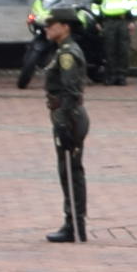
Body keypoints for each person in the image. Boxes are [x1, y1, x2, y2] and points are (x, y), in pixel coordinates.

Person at [41, 25, 93, 242]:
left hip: (69, 115)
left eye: (52, 25)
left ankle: (75, 225)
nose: (47, 29)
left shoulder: (67, 53)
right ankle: (72, 222)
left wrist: (63, 122)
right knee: (68, 170)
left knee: (71, 171)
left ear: (65, 27)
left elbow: (70, 90)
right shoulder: (63, 50)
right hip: (66, 114)